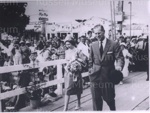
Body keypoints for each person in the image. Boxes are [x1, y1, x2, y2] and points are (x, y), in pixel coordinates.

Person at [88, 24, 124, 111]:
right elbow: (90, 60)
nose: (97, 35)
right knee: (96, 100)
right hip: (95, 76)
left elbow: (120, 57)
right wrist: (90, 70)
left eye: (99, 33)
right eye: (95, 33)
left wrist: (119, 66)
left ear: (104, 32)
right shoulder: (93, 45)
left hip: (108, 76)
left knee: (109, 99)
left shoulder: (113, 44)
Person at [63, 35, 87, 111]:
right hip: (68, 73)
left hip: (76, 72)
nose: (67, 46)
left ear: (72, 43)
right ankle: (65, 107)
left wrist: (77, 62)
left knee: (78, 88)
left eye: (69, 44)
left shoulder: (78, 50)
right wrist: (68, 67)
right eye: (66, 44)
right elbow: (66, 61)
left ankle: (78, 103)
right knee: (67, 89)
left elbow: (84, 60)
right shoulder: (66, 51)